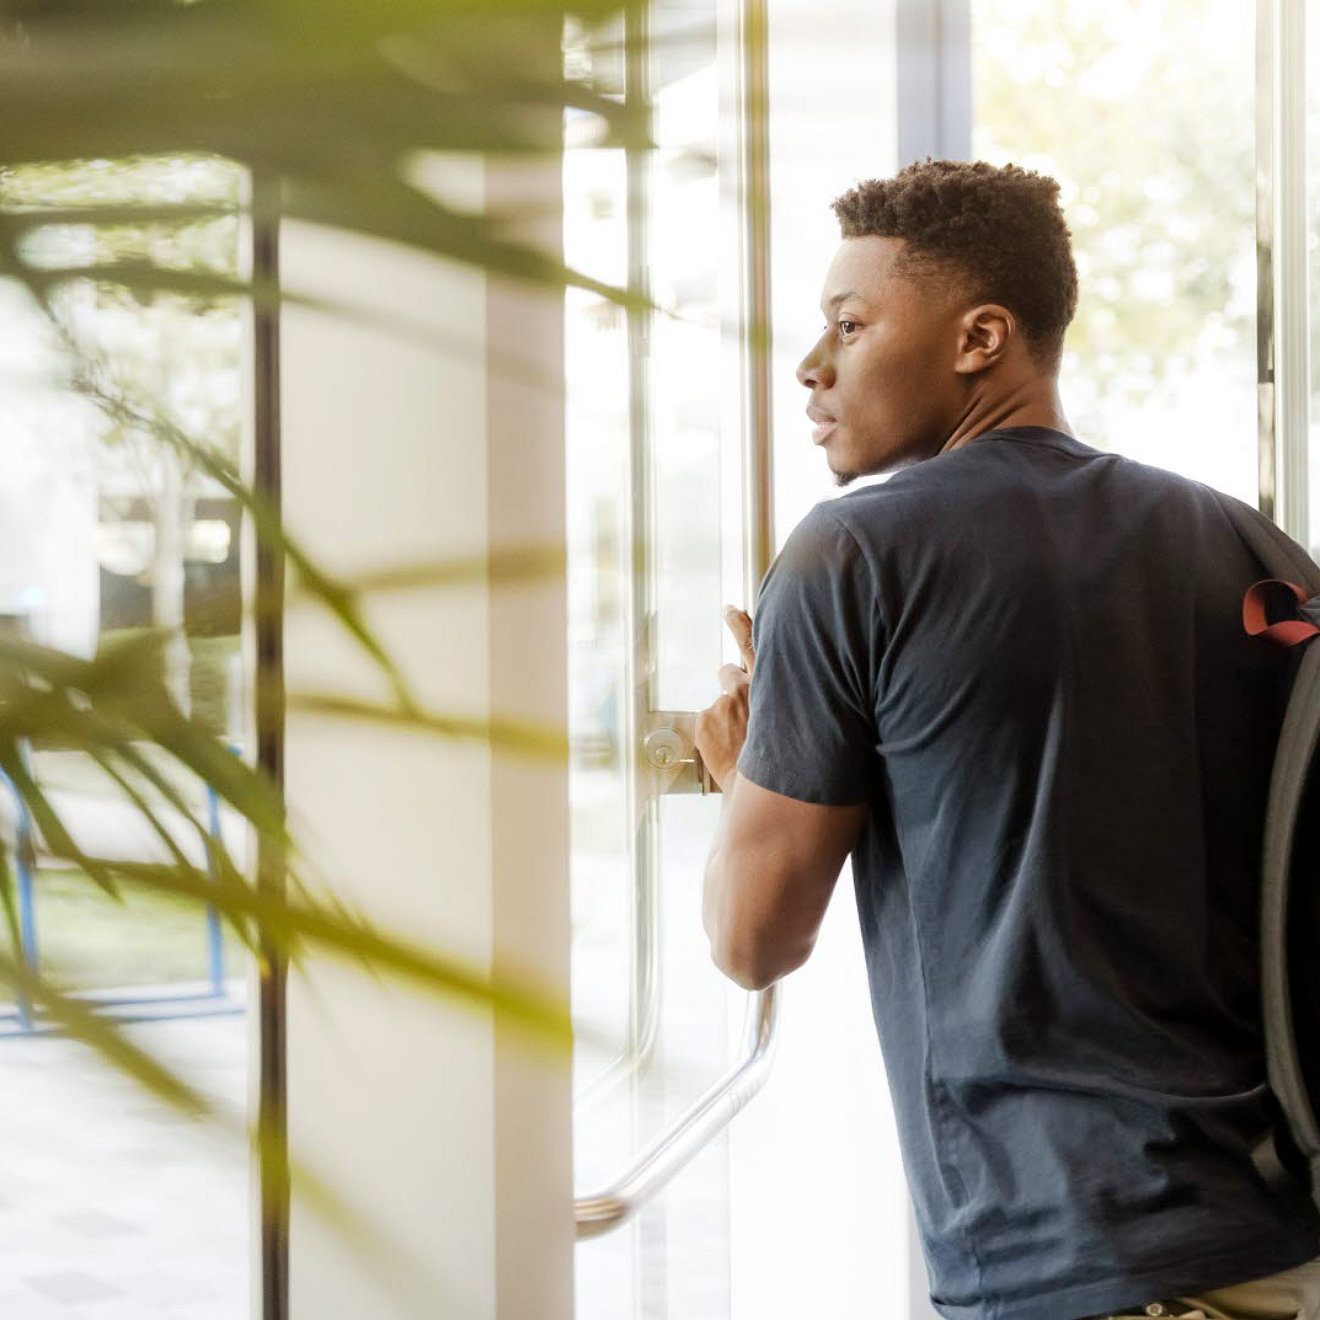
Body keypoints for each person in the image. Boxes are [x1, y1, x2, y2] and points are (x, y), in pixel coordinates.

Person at [693, 158, 1320, 1320]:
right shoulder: (1254, 550)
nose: (811, 366)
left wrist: (744, 776)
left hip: (1071, 1258)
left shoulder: (854, 556)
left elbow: (752, 939)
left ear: (981, 337)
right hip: (1280, 1237)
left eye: (849, 324)